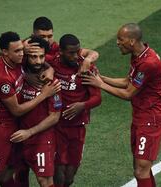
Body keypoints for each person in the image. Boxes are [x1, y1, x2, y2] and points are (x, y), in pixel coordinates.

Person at [82, 23, 161, 187]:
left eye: (121, 39)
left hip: (151, 119)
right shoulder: (139, 55)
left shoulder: (148, 63)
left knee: (141, 170)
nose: (117, 42)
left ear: (132, 41)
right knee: (142, 168)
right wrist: (102, 77)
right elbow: (128, 81)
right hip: (141, 117)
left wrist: (100, 84)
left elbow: (128, 93)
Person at [0, 31, 61, 187]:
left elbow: (40, 59)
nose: (22, 54)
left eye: (22, 50)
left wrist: (50, 70)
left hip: (18, 129)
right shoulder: (3, 79)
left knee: (10, 173)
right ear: (6, 53)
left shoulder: (18, 61)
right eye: (18, 51)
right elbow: (17, 111)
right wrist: (44, 95)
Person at [49, 34, 101, 187]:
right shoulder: (52, 63)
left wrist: (82, 106)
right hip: (57, 126)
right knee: (58, 173)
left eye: (78, 52)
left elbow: (97, 98)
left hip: (78, 128)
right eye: (71, 53)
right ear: (61, 52)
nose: (75, 56)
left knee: (69, 178)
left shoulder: (86, 68)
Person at [9, 36, 62, 187]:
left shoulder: (52, 83)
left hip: (41, 138)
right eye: (33, 56)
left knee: (44, 181)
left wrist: (30, 132)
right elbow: (1, 51)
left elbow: (54, 116)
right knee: (11, 175)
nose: (38, 61)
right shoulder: (20, 74)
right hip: (18, 135)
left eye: (41, 57)